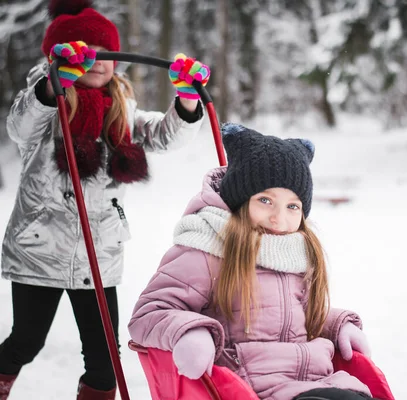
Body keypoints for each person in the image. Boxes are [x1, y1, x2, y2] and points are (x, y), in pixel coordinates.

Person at [0, 0, 210, 398]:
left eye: (104, 54)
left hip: (99, 253)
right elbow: (19, 124)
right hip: (38, 251)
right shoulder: (46, 105)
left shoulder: (123, 113)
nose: (97, 62)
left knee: (104, 359)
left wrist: (185, 101)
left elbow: (166, 136)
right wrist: (52, 85)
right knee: (26, 343)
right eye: (86, 54)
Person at [128, 123, 375, 400]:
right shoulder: (208, 248)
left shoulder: (295, 252)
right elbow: (149, 313)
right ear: (239, 200)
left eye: (292, 206)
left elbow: (304, 316)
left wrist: (339, 324)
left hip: (315, 379)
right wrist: (189, 332)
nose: (278, 218)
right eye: (265, 200)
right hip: (250, 386)